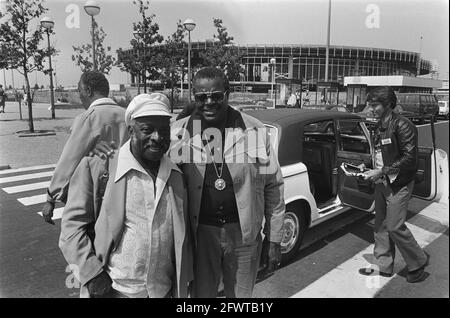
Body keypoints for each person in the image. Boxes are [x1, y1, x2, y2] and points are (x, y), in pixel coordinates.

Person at [59, 93, 193, 298]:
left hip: (163, 291)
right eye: (147, 130)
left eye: (164, 130)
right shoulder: (99, 167)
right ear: (131, 130)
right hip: (116, 291)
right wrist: (92, 275)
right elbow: (71, 230)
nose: (157, 137)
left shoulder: (176, 174)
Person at [171, 67, 285, 298]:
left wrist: (274, 238)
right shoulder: (180, 132)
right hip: (200, 235)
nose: (209, 102)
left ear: (228, 93)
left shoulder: (252, 129)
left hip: (244, 235)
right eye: (202, 97)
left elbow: (273, 185)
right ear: (194, 96)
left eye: (216, 95)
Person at [358, 86, 430, 283]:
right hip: (382, 181)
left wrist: (381, 170)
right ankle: (384, 265)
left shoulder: (403, 125)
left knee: (394, 226)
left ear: (388, 104)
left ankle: (418, 261)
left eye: (374, 105)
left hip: (399, 183)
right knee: (380, 225)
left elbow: (409, 158)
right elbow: (381, 153)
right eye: (369, 105)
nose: (370, 109)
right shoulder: (379, 124)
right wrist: (368, 166)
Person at [41, 71, 128, 224]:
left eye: (79, 90)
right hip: (125, 192)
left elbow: (69, 160)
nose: (79, 95)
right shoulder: (127, 116)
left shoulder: (88, 118)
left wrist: (51, 197)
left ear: (88, 90)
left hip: (97, 197)